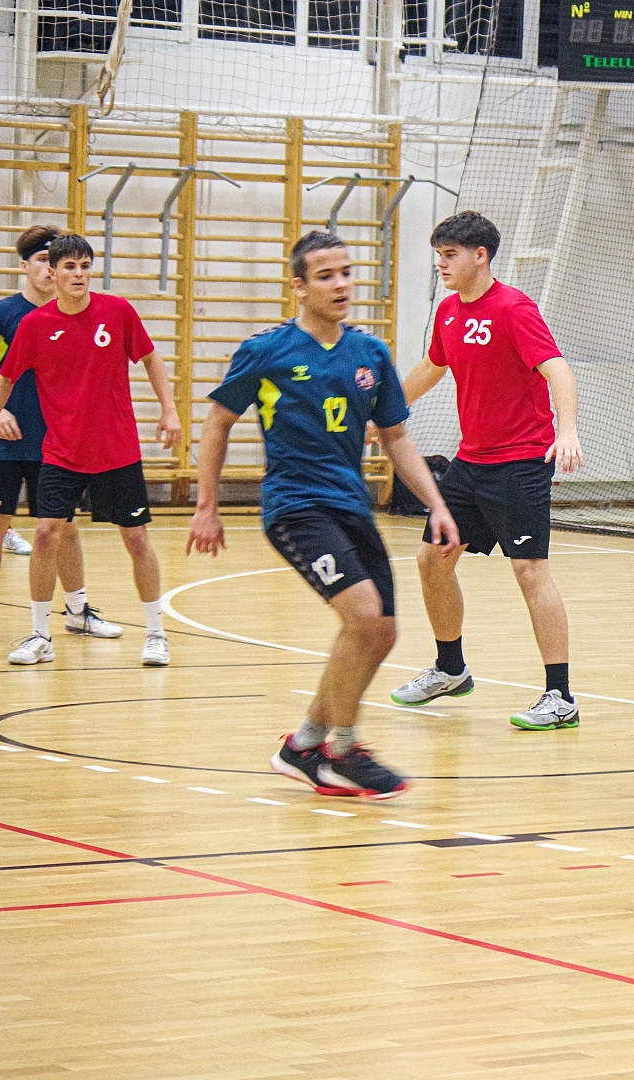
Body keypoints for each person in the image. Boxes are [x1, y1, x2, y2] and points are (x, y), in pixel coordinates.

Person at [189, 231, 460, 800]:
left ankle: (304, 744)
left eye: (346, 272)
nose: (341, 285)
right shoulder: (268, 351)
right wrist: (207, 506)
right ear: (299, 286)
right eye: (326, 276)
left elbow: (395, 436)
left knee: (382, 631)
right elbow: (217, 423)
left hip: (351, 506)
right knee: (363, 616)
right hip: (295, 506)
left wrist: (437, 504)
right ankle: (343, 751)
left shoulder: (369, 354)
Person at [388, 212, 584, 731]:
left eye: (450, 255)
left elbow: (558, 370)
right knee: (432, 560)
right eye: (438, 255)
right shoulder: (449, 311)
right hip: (470, 462)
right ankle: (450, 669)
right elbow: (433, 366)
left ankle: (560, 696)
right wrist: (386, 410)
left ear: (481, 256)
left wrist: (567, 430)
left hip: (520, 462)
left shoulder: (514, 308)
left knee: (529, 571)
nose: (441, 264)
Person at [0, 233, 178, 667]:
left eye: (85, 266)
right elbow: (4, 379)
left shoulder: (117, 311)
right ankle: (40, 635)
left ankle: (156, 634)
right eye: (69, 267)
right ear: (54, 272)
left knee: (136, 538)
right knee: (46, 534)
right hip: (61, 452)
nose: (78, 274)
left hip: (117, 450)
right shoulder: (35, 324)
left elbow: (151, 358)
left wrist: (169, 411)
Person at [0, 225, 109, 643]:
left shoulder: (81, 316)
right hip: (5, 445)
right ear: (25, 266)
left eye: (53, 261)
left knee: (64, 529)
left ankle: (78, 611)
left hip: (59, 444)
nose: (48, 269)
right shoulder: (0, 315)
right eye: (41, 260)